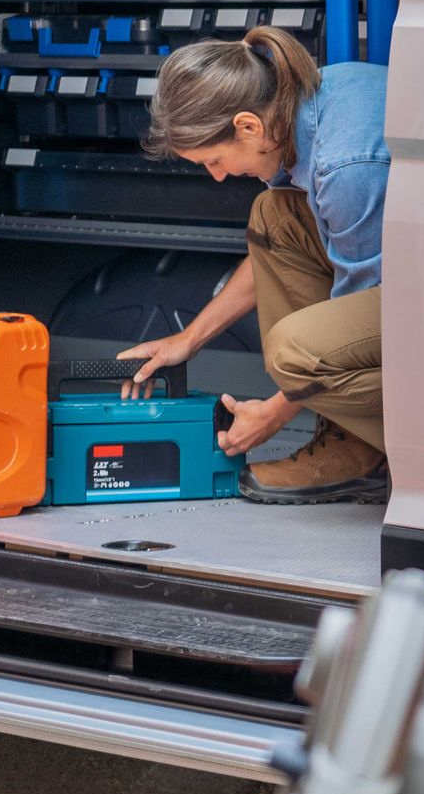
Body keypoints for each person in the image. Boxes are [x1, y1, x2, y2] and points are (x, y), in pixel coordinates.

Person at [114, 27, 388, 503]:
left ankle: (406, 450)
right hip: (419, 284)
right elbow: (277, 252)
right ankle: (353, 444)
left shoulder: (345, 169)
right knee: (274, 214)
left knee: (294, 351)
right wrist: (189, 339)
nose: (218, 176)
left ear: (248, 127)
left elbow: (363, 327)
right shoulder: (309, 100)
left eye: (214, 160)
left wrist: (274, 412)